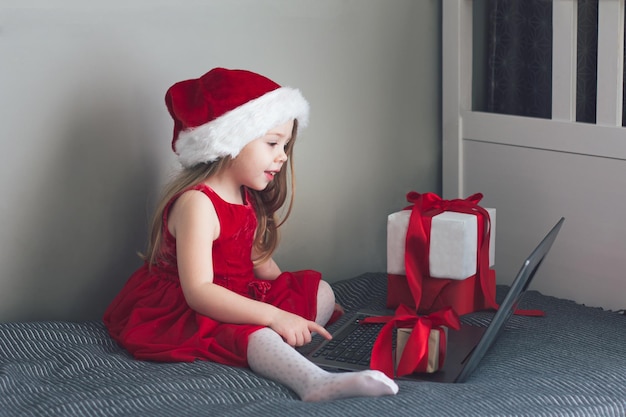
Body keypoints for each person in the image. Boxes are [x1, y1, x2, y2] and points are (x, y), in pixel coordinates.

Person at [103, 68, 399, 402]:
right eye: (272, 143)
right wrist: (274, 315)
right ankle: (313, 381)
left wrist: (301, 304)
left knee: (322, 292)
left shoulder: (246, 196)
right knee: (256, 332)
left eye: (285, 145)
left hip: (241, 294)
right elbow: (199, 292)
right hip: (196, 307)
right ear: (229, 142)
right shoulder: (197, 204)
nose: (283, 156)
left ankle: (278, 343)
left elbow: (262, 265)